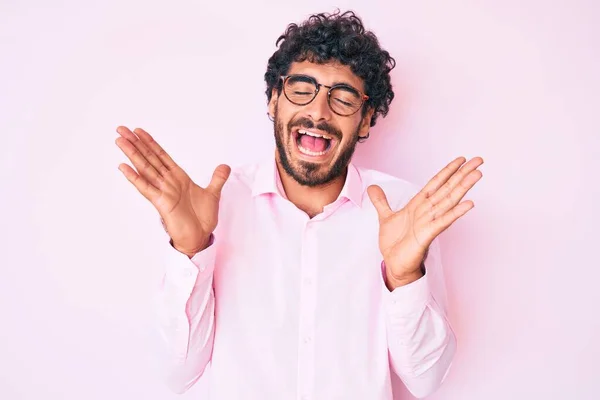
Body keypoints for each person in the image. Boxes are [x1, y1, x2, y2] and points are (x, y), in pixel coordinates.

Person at [115, 10, 483, 400]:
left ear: (365, 120)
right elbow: (176, 374)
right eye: (302, 89)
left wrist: (404, 276)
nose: (319, 112)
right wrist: (191, 250)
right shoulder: (218, 205)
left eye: (342, 97)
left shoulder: (404, 212)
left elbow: (426, 380)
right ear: (274, 100)